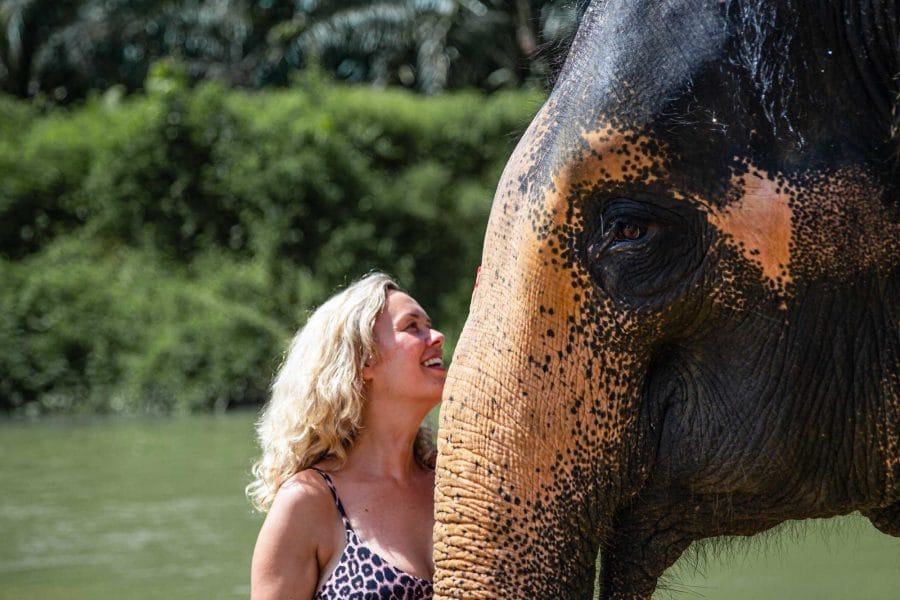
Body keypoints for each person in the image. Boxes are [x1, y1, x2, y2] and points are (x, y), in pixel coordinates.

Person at [247, 272, 445, 600]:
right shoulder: (308, 501)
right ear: (364, 359)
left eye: (429, 325)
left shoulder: (454, 482)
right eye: (413, 327)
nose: (436, 336)